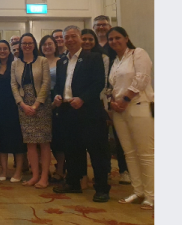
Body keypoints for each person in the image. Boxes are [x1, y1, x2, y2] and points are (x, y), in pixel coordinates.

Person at [52, 26, 111, 202]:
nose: (69, 40)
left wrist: (83, 99)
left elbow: (99, 83)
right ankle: (74, 183)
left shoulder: (93, 58)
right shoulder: (61, 62)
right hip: (67, 111)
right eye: (66, 37)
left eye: (73, 36)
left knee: (96, 151)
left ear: (80, 38)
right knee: (72, 150)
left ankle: (101, 188)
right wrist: (56, 95)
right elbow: (60, 85)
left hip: (89, 111)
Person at [107, 27, 154, 210]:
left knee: (146, 153)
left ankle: (151, 195)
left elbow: (141, 79)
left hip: (139, 106)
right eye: (110, 39)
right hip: (120, 110)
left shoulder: (138, 53)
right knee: (129, 153)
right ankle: (138, 191)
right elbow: (113, 86)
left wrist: (125, 100)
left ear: (126, 38)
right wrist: (113, 101)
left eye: (117, 37)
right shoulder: (116, 61)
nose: (114, 41)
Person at [82, 28, 128, 184]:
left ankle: (105, 173)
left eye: (90, 39)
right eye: (84, 39)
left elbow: (105, 81)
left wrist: (106, 105)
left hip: (100, 103)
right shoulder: (75, 59)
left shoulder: (103, 58)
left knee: (101, 143)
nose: (87, 42)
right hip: (81, 106)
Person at [11, 34, 52, 188]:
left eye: (30, 43)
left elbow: (46, 83)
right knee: (30, 143)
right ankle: (35, 176)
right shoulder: (15, 64)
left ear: (34, 45)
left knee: (43, 142)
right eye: (24, 43)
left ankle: (44, 177)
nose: (27, 46)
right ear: (20, 46)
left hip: (40, 105)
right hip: (23, 105)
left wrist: (35, 105)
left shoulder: (43, 61)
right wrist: (21, 104)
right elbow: (14, 85)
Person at [0, 40, 27, 182]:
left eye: (5, 48)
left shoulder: (17, 64)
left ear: (9, 50)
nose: (2, 51)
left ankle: (18, 171)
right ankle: (4, 170)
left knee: (17, 139)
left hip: (14, 105)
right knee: (3, 139)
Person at [39, 35, 66, 183]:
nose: (47, 47)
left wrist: (57, 99)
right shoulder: (38, 61)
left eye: (50, 44)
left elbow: (64, 82)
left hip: (57, 101)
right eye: (44, 44)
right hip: (40, 102)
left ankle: (60, 169)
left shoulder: (61, 62)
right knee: (42, 138)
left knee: (57, 138)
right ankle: (44, 170)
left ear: (55, 46)